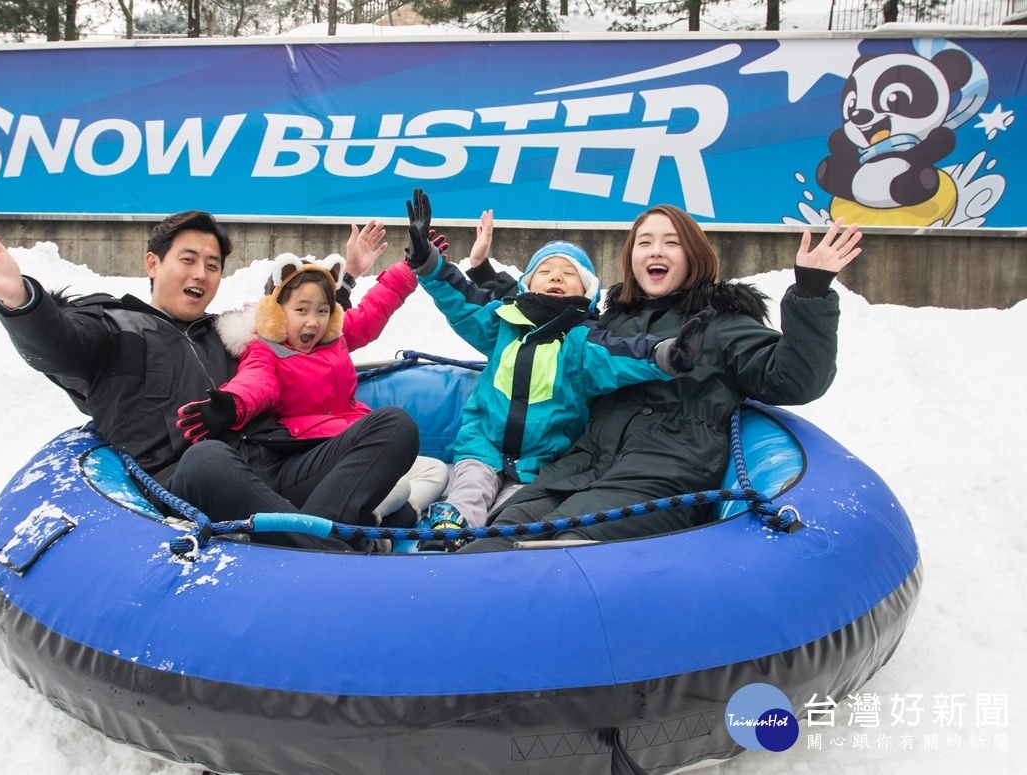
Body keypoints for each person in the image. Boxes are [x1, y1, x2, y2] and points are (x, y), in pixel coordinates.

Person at [0, 212, 417, 551]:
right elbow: (58, 342)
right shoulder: (113, 328)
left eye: (212, 265)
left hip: (271, 465)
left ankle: (315, 536)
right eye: (189, 259)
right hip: (192, 480)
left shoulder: (229, 332)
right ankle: (332, 553)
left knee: (394, 425)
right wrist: (21, 301)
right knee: (206, 456)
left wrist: (349, 276)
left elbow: (307, 322)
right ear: (153, 263)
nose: (201, 274)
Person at [459, 204, 863, 552]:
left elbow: (794, 380)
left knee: (557, 551)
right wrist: (483, 272)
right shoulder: (610, 322)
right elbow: (539, 310)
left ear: (693, 255)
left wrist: (811, 292)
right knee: (497, 536)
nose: (656, 250)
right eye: (644, 242)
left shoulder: (720, 322)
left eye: (671, 242)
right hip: (579, 468)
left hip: (661, 477)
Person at [402, 190, 708, 545]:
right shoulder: (501, 321)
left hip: (541, 465)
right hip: (482, 447)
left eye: (569, 274)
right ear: (527, 284)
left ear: (587, 290)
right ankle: (446, 538)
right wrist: (428, 263)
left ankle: (487, 553)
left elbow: (627, 354)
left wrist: (668, 354)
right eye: (545, 271)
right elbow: (462, 298)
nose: (556, 277)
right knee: (468, 496)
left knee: (507, 519)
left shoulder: (583, 343)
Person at [173, 251, 444, 529]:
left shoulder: (333, 339)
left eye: (322, 311)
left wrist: (411, 267)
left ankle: (374, 519)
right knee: (397, 470)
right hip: (306, 458)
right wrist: (233, 404)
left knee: (436, 470)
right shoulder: (267, 351)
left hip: (348, 447)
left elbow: (372, 311)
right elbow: (256, 382)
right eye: (301, 310)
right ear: (276, 313)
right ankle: (336, 530)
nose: (313, 321)